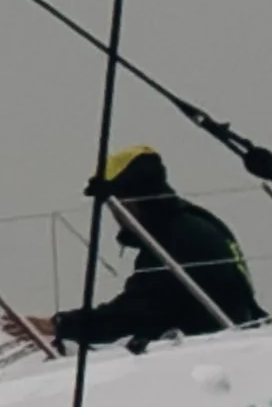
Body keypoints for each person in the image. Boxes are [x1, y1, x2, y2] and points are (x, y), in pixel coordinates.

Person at [43, 145, 260, 348]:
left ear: (131, 202)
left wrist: (61, 326)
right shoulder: (199, 224)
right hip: (229, 340)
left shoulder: (177, 241)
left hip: (207, 352)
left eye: (115, 203)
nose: (115, 214)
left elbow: (134, 313)